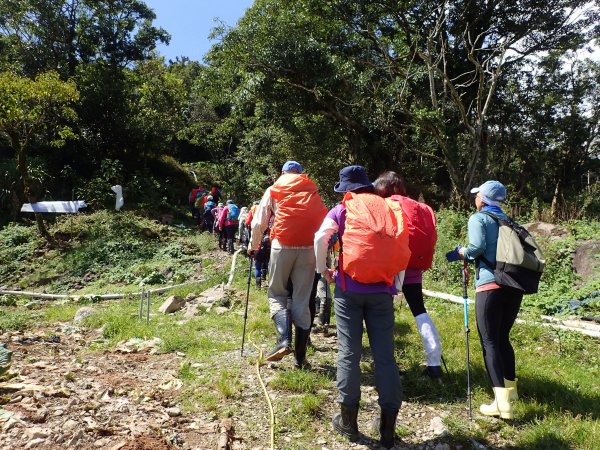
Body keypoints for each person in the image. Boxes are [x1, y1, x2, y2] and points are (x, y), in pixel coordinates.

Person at [314, 166, 408, 449]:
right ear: (368, 186)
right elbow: (402, 245)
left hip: (348, 290)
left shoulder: (342, 210)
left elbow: (320, 239)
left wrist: (324, 271)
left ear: (346, 190)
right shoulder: (388, 207)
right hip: (382, 291)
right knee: (385, 358)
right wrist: (397, 283)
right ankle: (388, 429)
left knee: (349, 353)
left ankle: (348, 423)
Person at [446, 180, 521, 419]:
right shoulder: (508, 220)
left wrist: (460, 252)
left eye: (477, 194)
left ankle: (502, 405)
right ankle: (512, 392)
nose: (475, 197)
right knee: (502, 338)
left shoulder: (478, 218)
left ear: (484, 199)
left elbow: (475, 248)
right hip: (513, 287)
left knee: (488, 342)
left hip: (490, 286)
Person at [248, 161, 327, 368]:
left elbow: (258, 222)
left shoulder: (275, 187)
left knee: (276, 294)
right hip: (308, 248)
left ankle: (283, 340)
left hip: (282, 244)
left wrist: (253, 245)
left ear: (282, 173)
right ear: (301, 174)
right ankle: (300, 359)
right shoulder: (310, 187)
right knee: (302, 301)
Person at [374, 171, 443, 382]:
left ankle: (386, 365)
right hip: (414, 266)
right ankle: (435, 366)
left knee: (383, 313)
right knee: (420, 311)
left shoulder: (386, 204)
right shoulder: (419, 206)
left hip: (392, 264)